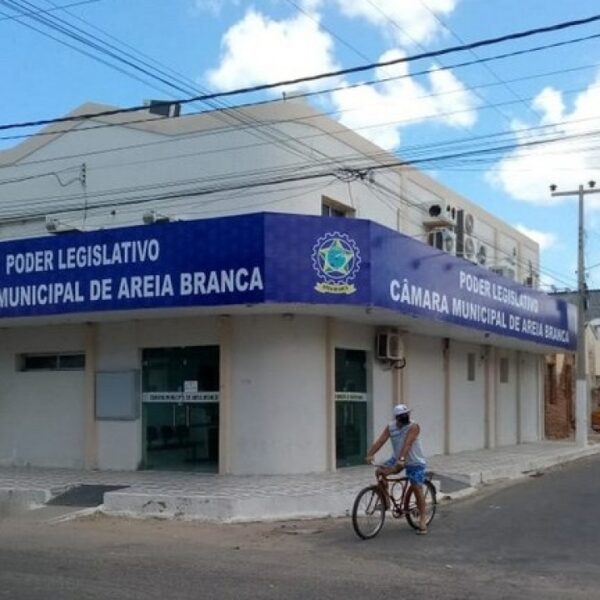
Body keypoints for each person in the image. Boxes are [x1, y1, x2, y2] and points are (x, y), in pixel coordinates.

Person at [365, 403, 429, 535]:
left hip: (414, 461)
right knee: (380, 472)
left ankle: (423, 518)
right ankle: (386, 501)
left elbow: (407, 444)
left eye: (406, 414)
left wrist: (402, 460)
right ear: (397, 417)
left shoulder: (414, 426)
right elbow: (381, 441)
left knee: (416, 487)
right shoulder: (391, 427)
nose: (406, 417)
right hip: (397, 458)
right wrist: (370, 454)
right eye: (402, 415)